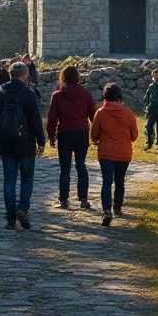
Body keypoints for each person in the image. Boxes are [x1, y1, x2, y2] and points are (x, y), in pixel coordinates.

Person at [0, 62, 46, 229]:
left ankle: (10, 218)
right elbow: (36, 120)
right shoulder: (29, 94)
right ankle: (23, 209)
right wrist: (41, 142)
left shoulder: (1, 92)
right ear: (25, 74)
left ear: (10, 73)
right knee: (27, 178)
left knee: (9, 180)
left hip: (6, 142)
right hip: (26, 142)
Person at [46, 65, 98, 209]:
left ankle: (63, 200)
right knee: (81, 164)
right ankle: (83, 199)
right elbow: (93, 115)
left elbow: (52, 118)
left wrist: (51, 135)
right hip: (81, 132)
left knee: (65, 168)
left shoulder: (57, 96)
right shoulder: (85, 94)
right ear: (78, 77)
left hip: (65, 133)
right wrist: (98, 132)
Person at [90, 82, 138, 227]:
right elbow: (134, 135)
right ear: (119, 96)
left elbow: (94, 136)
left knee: (106, 182)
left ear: (104, 96)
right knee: (120, 181)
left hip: (106, 152)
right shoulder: (128, 112)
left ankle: (106, 210)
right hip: (123, 152)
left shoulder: (100, 113)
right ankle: (117, 208)